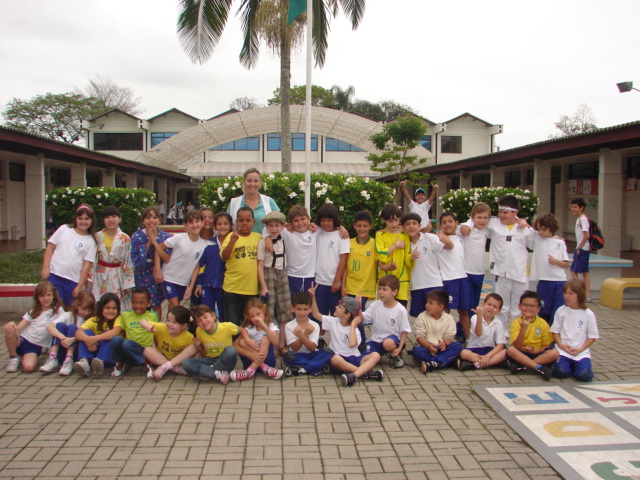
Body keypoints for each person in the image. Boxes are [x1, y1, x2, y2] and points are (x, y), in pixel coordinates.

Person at [461, 195, 534, 338]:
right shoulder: (493, 223)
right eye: (500, 211)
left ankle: (518, 336)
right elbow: (475, 218)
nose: (501, 215)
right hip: (500, 273)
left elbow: (535, 243)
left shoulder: (525, 229)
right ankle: (501, 336)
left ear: (515, 212)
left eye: (505, 212)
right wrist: (467, 225)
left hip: (520, 273)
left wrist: (524, 222)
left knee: (519, 308)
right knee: (501, 307)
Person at [308, 283, 383, 387]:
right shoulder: (333, 321)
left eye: (339, 307)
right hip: (340, 360)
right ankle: (365, 373)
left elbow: (352, 344)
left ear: (347, 314)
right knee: (335, 358)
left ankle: (353, 375)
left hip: (355, 358)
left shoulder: (355, 329)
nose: (335, 307)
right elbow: (316, 314)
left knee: (376, 355)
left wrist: (353, 325)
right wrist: (312, 296)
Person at [41, 204, 97, 308]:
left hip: (73, 280)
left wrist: (80, 285)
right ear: (75, 218)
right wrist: (45, 267)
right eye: (80, 218)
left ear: (92, 220)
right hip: (55, 275)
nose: (83, 221)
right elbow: (50, 247)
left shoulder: (90, 241)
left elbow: (86, 265)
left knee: (70, 308)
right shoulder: (64, 229)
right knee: (54, 306)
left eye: (87, 219)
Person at [4, 281, 64, 373]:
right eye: (42, 296)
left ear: (54, 295)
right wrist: (11, 324)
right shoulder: (33, 311)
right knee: (9, 328)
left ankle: (20, 357)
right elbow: (18, 329)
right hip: (22, 340)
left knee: (28, 368)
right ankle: (13, 357)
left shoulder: (57, 310)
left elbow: (67, 320)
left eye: (48, 295)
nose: (45, 298)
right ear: (37, 297)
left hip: (33, 347)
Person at [155, 209, 208, 309]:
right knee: (176, 307)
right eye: (191, 222)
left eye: (197, 221)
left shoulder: (203, 244)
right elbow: (158, 248)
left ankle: (169, 320)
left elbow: (196, 266)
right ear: (185, 225)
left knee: (173, 309)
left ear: (202, 223)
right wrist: (157, 269)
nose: (194, 224)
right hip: (168, 277)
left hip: (183, 282)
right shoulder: (178, 238)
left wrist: (190, 287)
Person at [220, 206, 262, 325]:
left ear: (253, 222)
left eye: (248, 220)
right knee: (232, 323)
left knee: (249, 323)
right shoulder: (231, 237)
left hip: (251, 290)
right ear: (237, 222)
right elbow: (224, 257)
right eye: (241, 220)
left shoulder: (258, 238)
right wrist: (232, 242)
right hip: (232, 289)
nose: (244, 223)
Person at [550, 280, 599, 382]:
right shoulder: (561, 310)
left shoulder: (588, 314)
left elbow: (592, 337)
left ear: (579, 295)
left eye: (571, 293)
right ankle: (566, 365)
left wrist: (580, 349)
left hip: (581, 352)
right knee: (560, 372)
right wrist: (561, 345)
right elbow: (555, 332)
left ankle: (578, 366)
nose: (567, 296)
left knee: (584, 376)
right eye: (565, 293)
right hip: (563, 351)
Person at [402, 212, 447, 318]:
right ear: (403, 227)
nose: (411, 226)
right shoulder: (403, 243)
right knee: (419, 317)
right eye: (407, 224)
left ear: (419, 226)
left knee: (436, 316)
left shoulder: (430, 238)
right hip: (416, 286)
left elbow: (443, 246)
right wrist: (410, 257)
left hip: (433, 283)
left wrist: (444, 239)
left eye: (414, 223)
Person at [506, 291, 559, 380]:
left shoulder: (542, 323)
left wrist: (535, 351)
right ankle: (538, 367)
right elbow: (517, 346)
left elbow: (547, 345)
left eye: (533, 306)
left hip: (537, 354)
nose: (529, 308)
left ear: (538, 309)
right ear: (519, 306)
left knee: (554, 353)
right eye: (526, 305)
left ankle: (524, 367)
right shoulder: (516, 322)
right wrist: (523, 328)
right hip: (521, 353)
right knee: (510, 350)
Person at [39, 291, 96, 375]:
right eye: (84, 309)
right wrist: (63, 337)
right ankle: (53, 358)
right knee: (60, 325)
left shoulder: (92, 320)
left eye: (89, 309)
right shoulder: (68, 315)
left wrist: (72, 340)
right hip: (63, 349)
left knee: (72, 327)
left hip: (78, 353)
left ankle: (69, 360)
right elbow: (50, 326)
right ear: (77, 306)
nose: (87, 312)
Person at [361, 275, 411, 369]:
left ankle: (395, 354)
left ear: (394, 292)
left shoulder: (400, 310)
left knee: (387, 343)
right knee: (364, 359)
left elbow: (404, 330)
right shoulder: (375, 305)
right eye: (379, 288)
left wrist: (400, 348)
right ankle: (375, 357)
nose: (380, 292)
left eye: (384, 289)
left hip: (391, 340)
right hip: (375, 340)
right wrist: (358, 308)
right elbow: (363, 317)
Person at [256, 211, 290, 354]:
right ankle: (269, 346)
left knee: (285, 311)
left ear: (282, 226)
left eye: (277, 225)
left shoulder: (285, 237)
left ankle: (281, 345)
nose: (274, 228)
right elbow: (259, 266)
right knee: (268, 312)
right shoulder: (263, 242)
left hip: (282, 274)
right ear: (266, 227)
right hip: (268, 274)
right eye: (270, 226)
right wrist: (263, 287)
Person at [342, 210, 377, 344]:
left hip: (365, 288)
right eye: (359, 225)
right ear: (354, 226)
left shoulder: (375, 244)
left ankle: (361, 342)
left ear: (370, 226)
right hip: (350, 286)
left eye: (365, 226)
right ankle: (352, 340)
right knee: (350, 315)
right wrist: (343, 286)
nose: (362, 228)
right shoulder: (349, 243)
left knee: (357, 314)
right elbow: (345, 267)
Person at [183, 305, 241, 384]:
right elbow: (203, 350)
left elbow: (243, 330)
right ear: (197, 324)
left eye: (205, 317)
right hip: (210, 360)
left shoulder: (226, 326)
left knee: (231, 350)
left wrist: (238, 343)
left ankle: (209, 373)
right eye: (199, 320)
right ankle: (217, 373)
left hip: (226, 360)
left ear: (213, 316)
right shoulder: (199, 331)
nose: (203, 321)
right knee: (186, 363)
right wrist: (198, 346)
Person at [91, 206, 135, 311]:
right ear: (103, 220)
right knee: (99, 301)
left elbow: (128, 261)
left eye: (114, 216)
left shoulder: (125, 238)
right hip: (100, 274)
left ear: (119, 218)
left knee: (117, 301)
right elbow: (93, 258)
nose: (111, 220)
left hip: (117, 274)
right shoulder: (97, 236)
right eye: (107, 217)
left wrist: (127, 283)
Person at [434, 211, 470, 339]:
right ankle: (442, 340)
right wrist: (441, 234)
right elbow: (449, 245)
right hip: (448, 279)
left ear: (456, 223)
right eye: (444, 222)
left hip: (463, 278)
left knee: (464, 311)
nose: (447, 224)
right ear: (440, 225)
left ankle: (469, 340)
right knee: (445, 311)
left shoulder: (461, 238)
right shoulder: (439, 239)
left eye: (450, 221)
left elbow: (472, 223)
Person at [131, 206, 171, 318]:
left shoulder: (165, 236)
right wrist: (149, 243)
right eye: (148, 218)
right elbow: (135, 259)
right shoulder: (137, 236)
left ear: (159, 220)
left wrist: (155, 242)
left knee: (156, 303)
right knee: (141, 302)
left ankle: (156, 325)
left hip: (158, 273)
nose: (151, 220)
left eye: (155, 217)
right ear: (143, 221)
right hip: (142, 273)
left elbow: (167, 257)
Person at [230, 298, 284, 381]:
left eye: (258, 314)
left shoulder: (271, 326)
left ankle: (249, 372)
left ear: (264, 312)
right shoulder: (248, 328)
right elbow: (235, 346)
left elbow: (275, 342)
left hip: (267, 361)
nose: (256, 317)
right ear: (249, 318)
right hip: (250, 361)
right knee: (242, 341)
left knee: (265, 338)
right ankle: (264, 368)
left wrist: (264, 325)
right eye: (252, 316)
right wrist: (250, 353)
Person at [109, 287, 158, 379]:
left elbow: (156, 335)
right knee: (116, 339)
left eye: (141, 303)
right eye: (134, 302)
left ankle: (148, 365)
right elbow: (124, 333)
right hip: (128, 352)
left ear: (148, 303)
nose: (137, 306)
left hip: (144, 352)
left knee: (128, 343)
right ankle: (120, 363)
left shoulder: (152, 315)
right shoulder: (126, 315)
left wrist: (158, 352)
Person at [281, 292, 333, 377]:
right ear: (292, 309)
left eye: (305, 309)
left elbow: (312, 348)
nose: (302, 313)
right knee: (287, 356)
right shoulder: (289, 325)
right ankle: (316, 366)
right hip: (297, 355)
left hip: (312, 354)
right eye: (298, 309)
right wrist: (305, 334)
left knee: (329, 352)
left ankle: (302, 369)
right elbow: (295, 348)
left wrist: (301, 335)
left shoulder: (314, 325)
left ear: (310, 309)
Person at [412, 289, 463, 373]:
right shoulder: (422, 317)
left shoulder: (448, 318)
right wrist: (428, 346)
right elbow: (419, 336)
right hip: (428, 348)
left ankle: (432, 363)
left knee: (458, 346)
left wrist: (444, 344)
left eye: (431, 303)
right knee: (417, 351)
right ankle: (447, 361)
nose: (427, 305)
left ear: (441, 307)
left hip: (443, 348)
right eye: (427, 302)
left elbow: (449, 336)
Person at [530, 213, 569, 323]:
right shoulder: (538, 239)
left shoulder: (560, 243)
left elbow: (566, 264)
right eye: (539, 229)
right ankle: (544, 332)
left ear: (551, 228)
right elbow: (527, 227)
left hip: (559, 281)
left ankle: (555, 333)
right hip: (544, 281)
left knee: (557, 310)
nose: (541, 232)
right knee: (544, 311)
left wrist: (556, 262)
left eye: (544, 229)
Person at [73, 293, 123, 378]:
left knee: (108, 334)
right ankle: (84, 362)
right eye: (107, 308)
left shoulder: (119, 318)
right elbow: (78, 332)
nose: (111, 311)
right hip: (94, 354)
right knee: (87, 332)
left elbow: (115, 332)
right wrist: (88, 340)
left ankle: (100, 362)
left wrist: (94, 339)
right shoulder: (94, 319)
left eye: (114, 308)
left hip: (110, 356)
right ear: (101, 308)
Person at [140, 305, 196, 381]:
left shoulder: (188, 336)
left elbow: (191, 355)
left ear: (183, 326)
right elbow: (142, 321)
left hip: (178, 360)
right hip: (161, 357)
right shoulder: (163, 328)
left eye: (174, 322)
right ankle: (174, 368)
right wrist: (147, 326)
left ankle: (165, 367)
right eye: (168, 320)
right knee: (147, 350)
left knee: (193, 347)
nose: (169, 324)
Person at [194, 212, 232, 320]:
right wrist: (199, 283)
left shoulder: (234, 243)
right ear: (214, 226)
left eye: (226, 224)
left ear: (231, 225)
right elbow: (202, 265)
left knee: (224, 316)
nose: (222, 227)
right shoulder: (209, 244)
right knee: (206, 314)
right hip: (207, 286)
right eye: (219, 224)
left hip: (224, 287)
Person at [460, 202, 491, 332]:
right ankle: (463, 331)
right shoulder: (465, 229)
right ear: (472, 217)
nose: (482, 220)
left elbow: (500, 223)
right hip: (466, 273)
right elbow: (455, 228)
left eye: (485, 218)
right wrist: (468, 224)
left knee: (474, 304)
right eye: (479, 217)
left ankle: (470, 329)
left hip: (480, 273)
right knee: (466, 305)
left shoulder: (487, 230)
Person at [458, 293, 507, 371]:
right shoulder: (475, 318)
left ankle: (477, 364)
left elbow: (500, 344)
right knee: (464, 353)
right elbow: (478, 333)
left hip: (489, 350)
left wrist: (487, 356)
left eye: (495, 307)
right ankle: (489, 363)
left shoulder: (498, 322)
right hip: (473, 349)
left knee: (505, 352)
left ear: (499, 311)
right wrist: (480, 316)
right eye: (489, 304)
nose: (491, 308)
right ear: (483, 304)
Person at [375, 204, 411, 306]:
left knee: (401, 308)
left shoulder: (404, 234)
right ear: (384, 220)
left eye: (396, 220)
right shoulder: (380, 235)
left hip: (402, 278)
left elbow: (408, 255)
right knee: (383, 308)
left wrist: (412, 257)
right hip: (385, 278)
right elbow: (381, 255)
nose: (394, 224)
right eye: (390, 221)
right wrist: (396, 245)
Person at [281, 205, 320, 298]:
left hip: (310, 276)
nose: (300, 223)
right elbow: (267, 229)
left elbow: (332, 228)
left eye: (303, 219)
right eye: (296, 221)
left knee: (309, 304)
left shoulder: (315, 231)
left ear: (308, 218)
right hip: (292, 276)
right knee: (293, 304)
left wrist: (341, 227)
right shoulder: (286, 232)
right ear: (291, 222)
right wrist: (286, 225)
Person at [227, 168, 280, 233]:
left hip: (264, 240)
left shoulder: (269, 201)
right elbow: (227, 225)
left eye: (256, 181)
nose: (252, 184)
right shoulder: (234, 203)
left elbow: (280, 223)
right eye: (249, 181)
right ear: (244, 182)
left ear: (260, 183)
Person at [569, 197, 592, 302]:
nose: (573, 209)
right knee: (584, 272)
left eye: (575, 207)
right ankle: (586, 295)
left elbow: (586, 235)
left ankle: (579, 292)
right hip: (582, 248)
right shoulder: (580, 219)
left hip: (582, 249)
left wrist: (579, 247)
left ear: (581, 208)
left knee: (574, 270)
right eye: (572, 207)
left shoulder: (582, 219)